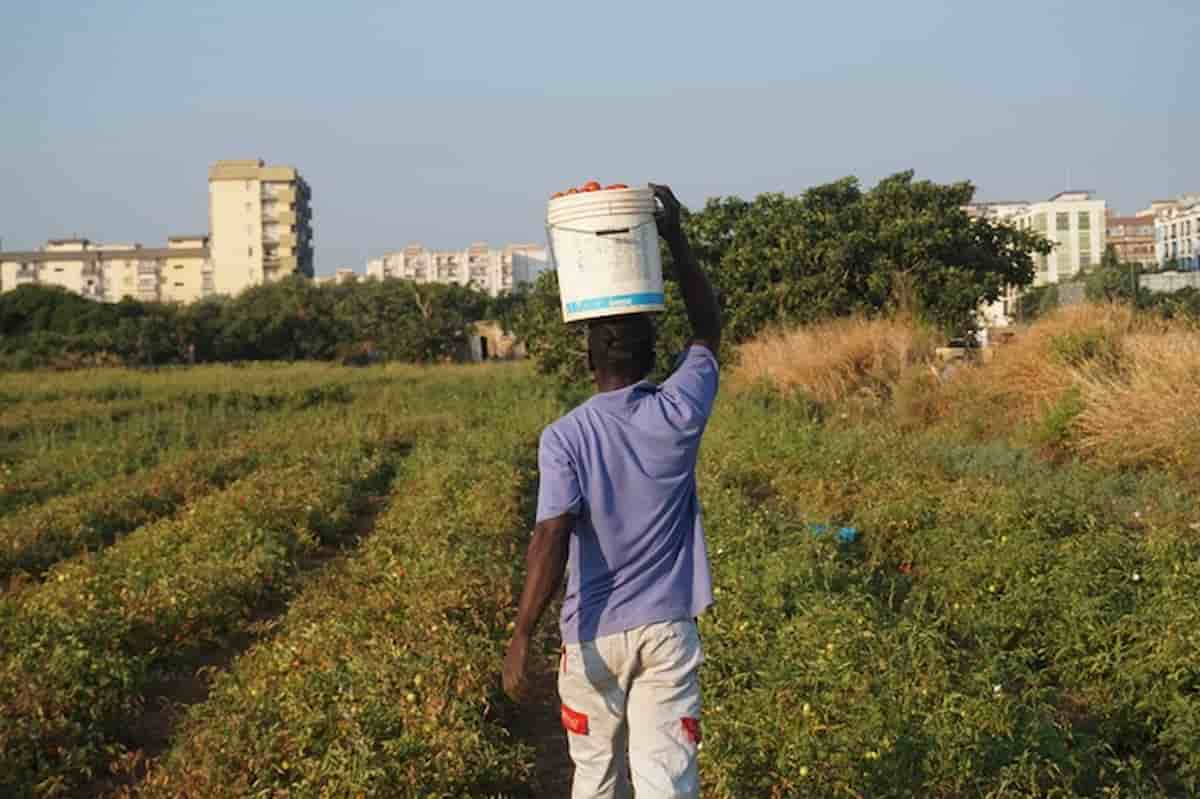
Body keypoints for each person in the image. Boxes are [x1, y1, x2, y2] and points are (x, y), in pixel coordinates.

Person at [503, 183, 722, 798]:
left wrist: (522, 633)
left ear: (586, 359)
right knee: (667, 780)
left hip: (592, 632)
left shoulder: (565, 437)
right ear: (657, 354)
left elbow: (552, 533)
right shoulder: (679, 408)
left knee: (595, 778)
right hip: (667, 632)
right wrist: (674, 235)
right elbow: (708, 327)